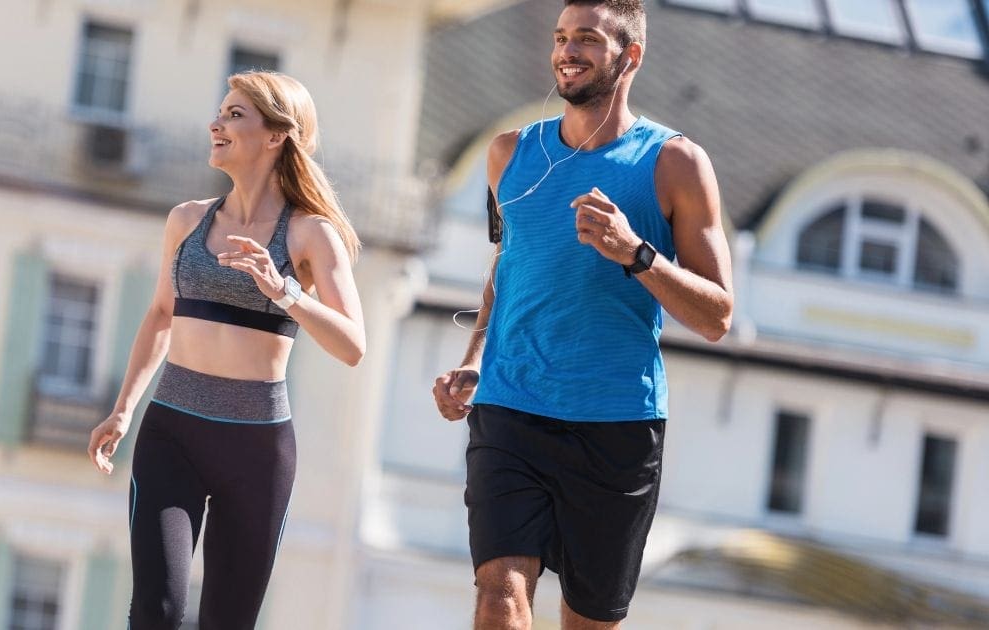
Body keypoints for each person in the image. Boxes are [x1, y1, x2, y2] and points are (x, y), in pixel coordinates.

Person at [432, 1, 733, 628]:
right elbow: (508, 267)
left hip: (617, 422)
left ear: (630, 56)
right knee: (498, 595)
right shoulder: (508, 153)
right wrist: (475, 359)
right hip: (512, 407)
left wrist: (636, 253)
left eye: (588, 39)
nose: (567, 52)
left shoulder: (676, 162)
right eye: (561, 37)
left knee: (589, 621)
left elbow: (717, 316)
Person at [87, 71, 366, 630]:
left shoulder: (311, 233)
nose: (216, 124)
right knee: (156, 611)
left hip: (256, 448)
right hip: (172, 433)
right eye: (220, 112)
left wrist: (284, 291)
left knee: (227, 622)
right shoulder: (187, 219)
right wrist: (122, 409)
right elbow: (161, 314)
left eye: (235, 115)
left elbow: (353, 345)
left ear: (276, 135)